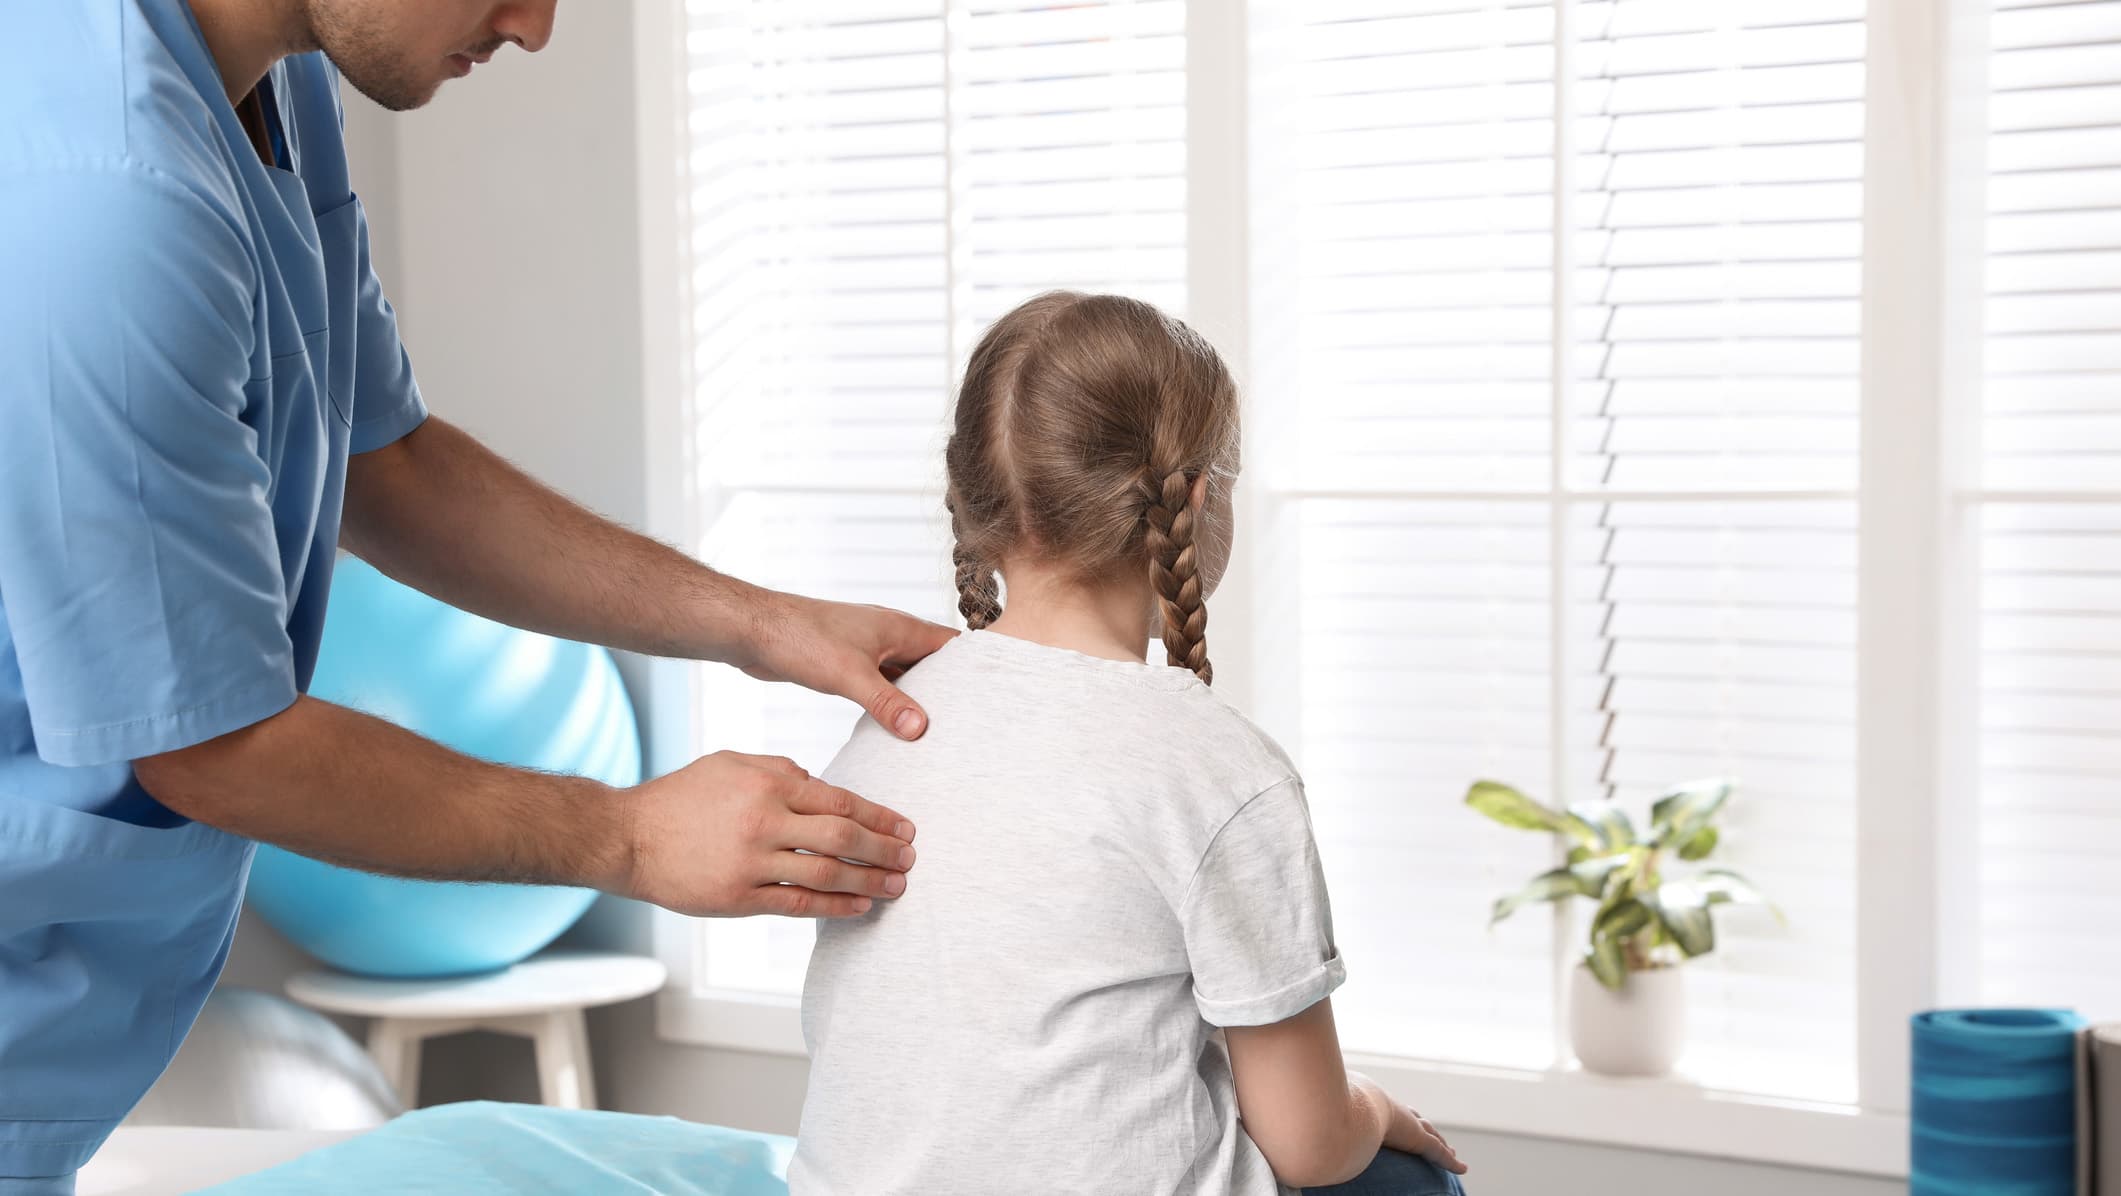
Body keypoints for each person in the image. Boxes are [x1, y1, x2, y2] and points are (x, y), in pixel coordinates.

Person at [0, 3, 950, 1191]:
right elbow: (212, 746)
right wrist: (630, 835)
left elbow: (385, 458)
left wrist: (762, 623)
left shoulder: (282, 85)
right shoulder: (102, 197)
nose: (535, 26)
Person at [790, 292, 1472, 1194]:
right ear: (1196, 500)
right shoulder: (1220, 769)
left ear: (976, 501)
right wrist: (1378, 1110)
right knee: (1411, 1184)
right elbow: (1310, 1143)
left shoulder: (890, 715)